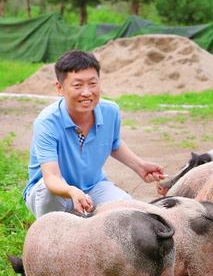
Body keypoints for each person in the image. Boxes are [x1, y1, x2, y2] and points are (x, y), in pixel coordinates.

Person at [23, 50, 164, 218]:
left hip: (93, 187)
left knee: (130, 212)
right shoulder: (47, 122)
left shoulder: (110, 111)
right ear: (60, 88)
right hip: (54, 192)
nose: (87, 92)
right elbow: (51, 177)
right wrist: (71, 191)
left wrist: (140, 166)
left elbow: (114, 143)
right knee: (48, 192)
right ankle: (50, 234)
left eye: (92, 83)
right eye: (77, 85)